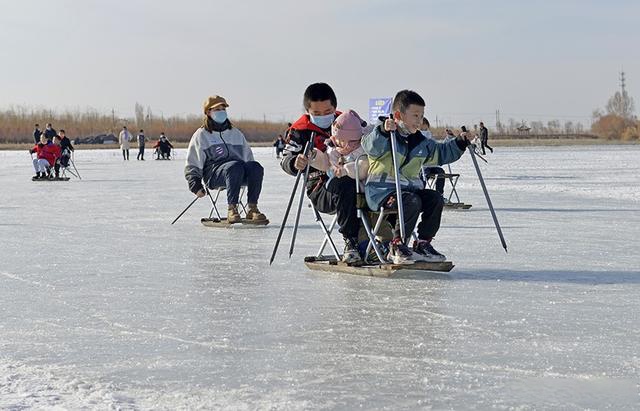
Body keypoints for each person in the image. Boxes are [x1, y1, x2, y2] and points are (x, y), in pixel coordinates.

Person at [362, 89, 470, 264]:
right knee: (411, 200)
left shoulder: (420, 142)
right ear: (398, 115)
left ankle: (423, 242)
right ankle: (396, 244)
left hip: (408, 192)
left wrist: (459, 143)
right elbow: (370, 146)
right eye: (415, 116)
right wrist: (383, 130)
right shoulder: (383, 135)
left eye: (421, 116)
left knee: (435, 198)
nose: (419, 121)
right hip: (381, 192)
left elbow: (441, 153)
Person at [281, 82, 361, 264]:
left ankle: (387, 242)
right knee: (345, 184)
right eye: (316, 114)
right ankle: (351, 242)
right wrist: (295, 162)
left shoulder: (348, 122)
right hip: (321, 187)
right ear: (308, 110)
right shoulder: (299, 131)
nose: (323, 117)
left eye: (327, 112)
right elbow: (286, 159)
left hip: (354, 176)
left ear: (334, 107)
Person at [185, 95, 268, 223]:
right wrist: (195, 184)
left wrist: (252, 170)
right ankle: (232, 208)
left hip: (238, 171)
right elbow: (193, 161)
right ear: (208, 112)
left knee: (255, 167)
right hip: (214, 175)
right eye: (217, 109)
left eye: (223, 109)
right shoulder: (201, 135)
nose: (221, 112)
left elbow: (249, 158)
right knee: (234, 166)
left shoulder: (235, 133)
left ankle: (252, 208)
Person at [419, 117, 446, 197]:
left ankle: (439, 194)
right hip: (423, 166)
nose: (425, 130)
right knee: (424, 175)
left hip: (433, 165)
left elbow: (439, 146)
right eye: (422, 128)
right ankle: (420, 193)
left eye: (426, 128)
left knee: (441, 173)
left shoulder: (431, 137)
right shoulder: (417, 136)